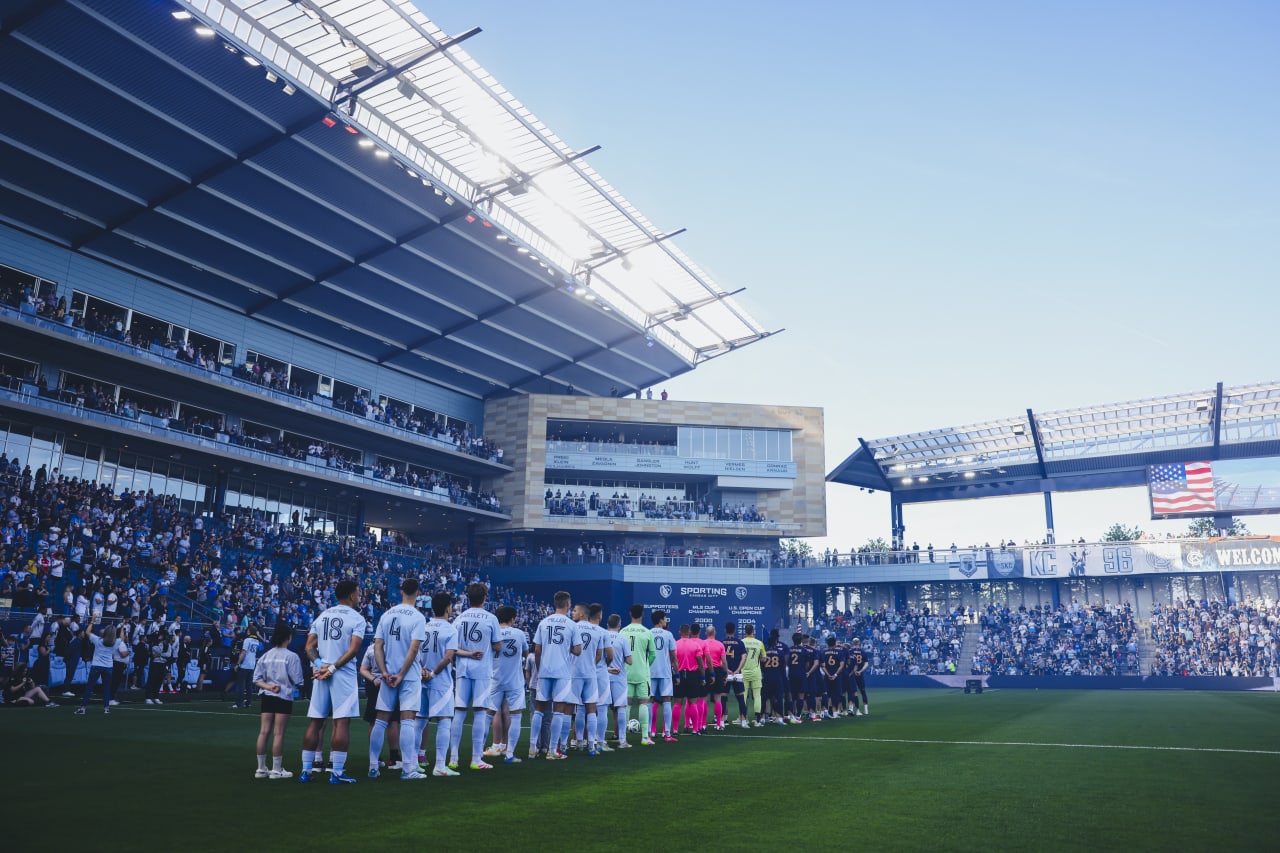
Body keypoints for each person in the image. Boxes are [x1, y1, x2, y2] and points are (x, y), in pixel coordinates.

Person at [299, 580, 366, 785]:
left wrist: (321, 665)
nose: (360, 595)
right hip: (342, 674)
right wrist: (332, 668)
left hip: (322, 673)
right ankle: (336, 773)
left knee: (316, 721)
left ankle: (306, 771)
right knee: (341, 721)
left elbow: (309, 647)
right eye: (358, 592)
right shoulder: (357, 618)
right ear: (351, 596)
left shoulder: (323, 615)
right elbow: (353, 650)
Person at [370, 577, 428, 780]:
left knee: (381, 721)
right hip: (408, 676)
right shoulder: (418, 617)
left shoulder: (387, 614)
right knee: (407, 721)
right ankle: (407, 769)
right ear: (418, 593)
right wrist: (402, 673)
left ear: (401, 591)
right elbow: (414, 649)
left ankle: (373, 766)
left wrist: (384, 672)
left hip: (388, 675)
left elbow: (377, 645)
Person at [449, 582, 501, 771]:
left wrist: (468, 653)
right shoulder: (491, 618)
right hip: (481, 671)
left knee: (460, 712)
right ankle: (475, 758)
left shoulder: (459, 618)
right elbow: (498, 646)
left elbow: (453, 647)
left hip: (463, 669)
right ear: (485, 598)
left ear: (468, 598)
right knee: (480, 712)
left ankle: (453, 758)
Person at [531, 591, 582, 759]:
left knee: (539, 709)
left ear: (555, 603)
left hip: (545, 670)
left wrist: (539, 670)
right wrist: (566, 646)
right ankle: (553, 750)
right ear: (567, 604)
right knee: (558, 710)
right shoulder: (571, 625)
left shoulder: (543, 622)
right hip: (562, 672)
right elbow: (578, 650)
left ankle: (532, 749)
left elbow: (537, 650)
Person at [252, 621, 304, 779]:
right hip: (283, 696)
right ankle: (276, 769)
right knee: (279, 733)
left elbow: (256, 679)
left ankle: (261, 769)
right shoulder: (291, 656)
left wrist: (269, 687)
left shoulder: (266, 656)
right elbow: (298, 680)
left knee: (263, 731)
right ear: (288, 637)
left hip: (267, 696)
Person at [420, 592, 459, 777]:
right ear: (446, 608)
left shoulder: (424, 626)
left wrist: (422, 670)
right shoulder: (450, 629)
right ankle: (440, 765)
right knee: (444, 720)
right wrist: (434, 672)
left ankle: (412, 762)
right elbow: (449, 656)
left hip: (421, 679)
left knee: (419, 721)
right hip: (440, 680)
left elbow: (414, 652)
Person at [482, 605, 528, 764]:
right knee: (516, 716)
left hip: (494, 679)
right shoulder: (520, 634)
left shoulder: (492, 633)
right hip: (514, 680)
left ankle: (479, 753)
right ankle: (509, 754)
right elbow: (526, 653)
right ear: (512, 619)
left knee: (488, 715)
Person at [619, 604, 656, 746]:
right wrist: (645, 664)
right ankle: (644, 738)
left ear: (630, 614)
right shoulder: (647, 632)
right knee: (643, 703)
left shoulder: (623, 631)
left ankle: (623, 738)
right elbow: (652, 655)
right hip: (642, 674)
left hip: (626, 673)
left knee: (626, 705)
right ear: (642, 615)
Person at [569, 602, 603, 755]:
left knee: (570, 709)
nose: (572, 612)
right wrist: (590, 664)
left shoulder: (572, 627)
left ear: (582, 614)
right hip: (590, 673)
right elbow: (599, 655)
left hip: (574, 673)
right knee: (590, 709)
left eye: (575, 610)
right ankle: (591, 746)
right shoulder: (597, 630)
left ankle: (570, 744)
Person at [74, 617, 115, 715]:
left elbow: (87, 632)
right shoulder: (114, 643)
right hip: (108, 667)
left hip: (96, 666)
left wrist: (92, 621)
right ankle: (106, 708)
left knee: (89, 687)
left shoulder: (98, 640)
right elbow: (121, 638)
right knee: (106, 688)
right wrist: (121, 627)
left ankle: (83, 708)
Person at [648, 610, 677, 741]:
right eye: (665, 618)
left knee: (650, 700)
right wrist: (676, 672)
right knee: (666, 700)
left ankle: (648, 733)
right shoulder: (668, 634)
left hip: (650, 671)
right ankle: (667, 734)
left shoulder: (647, 633)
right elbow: (673, 655)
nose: (666, 620)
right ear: (660, 620)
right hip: (665, 672)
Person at [605, 613, 632, 747]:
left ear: (607, 624)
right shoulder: (622, 638)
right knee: (621, 707)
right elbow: (629, 660)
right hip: (619, 676)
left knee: (601, 708)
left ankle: (599, 740)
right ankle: (622, 740)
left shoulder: (602, 635)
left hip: (603, 676)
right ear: (619, 625)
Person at [722, 622, 748, 726]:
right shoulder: (740, 642)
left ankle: (722, 721)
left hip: (726, 673)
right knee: (741, 698)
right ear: (735, 631)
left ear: (725, 630)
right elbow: (744, 657)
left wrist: (727, 669)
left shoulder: (722, 642)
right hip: (737, 674)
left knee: (723, 697)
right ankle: (744, 721)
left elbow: (720, 659)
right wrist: (738, 669)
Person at [232, 624, 262, 709]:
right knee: (249, 685)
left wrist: (238, 663)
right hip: (252, 665)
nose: (247, 632)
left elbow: (243, 652)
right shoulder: (256, 641)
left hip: (245, 664)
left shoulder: (247, 640)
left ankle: (239, 703)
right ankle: (248, 702)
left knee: (241, 685)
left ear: (250, 631)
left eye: (248, 630)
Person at [703, 625, 727, 731]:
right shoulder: (720, 644)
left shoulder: (702, 643)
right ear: (715, 633)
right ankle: (719, 724)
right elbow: (724, 661)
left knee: (704, 698)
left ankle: (703, 724)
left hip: (705, 670)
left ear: (706, 633)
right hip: (717, 670)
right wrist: (725, 673)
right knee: (718, 698)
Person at [741, 623, 765, 725]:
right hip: (755, 672)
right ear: (753, 631)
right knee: (757, 696)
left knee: (744, 696)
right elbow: (764, 658)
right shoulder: (759, 643)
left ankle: (744, 719)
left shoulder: (741, 642)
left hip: (743, 672)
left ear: (745, 631)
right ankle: (757, 720)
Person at [849, 638, 870, 716]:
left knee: (853, 692)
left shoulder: (850, 652)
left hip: (852, 674)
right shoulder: (863, 652)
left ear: (852, 643)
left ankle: (856, 709)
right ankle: (866, 710)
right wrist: (860, 671)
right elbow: (867, 663)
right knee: (863, 691)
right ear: (859, 643)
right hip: (860, 674)